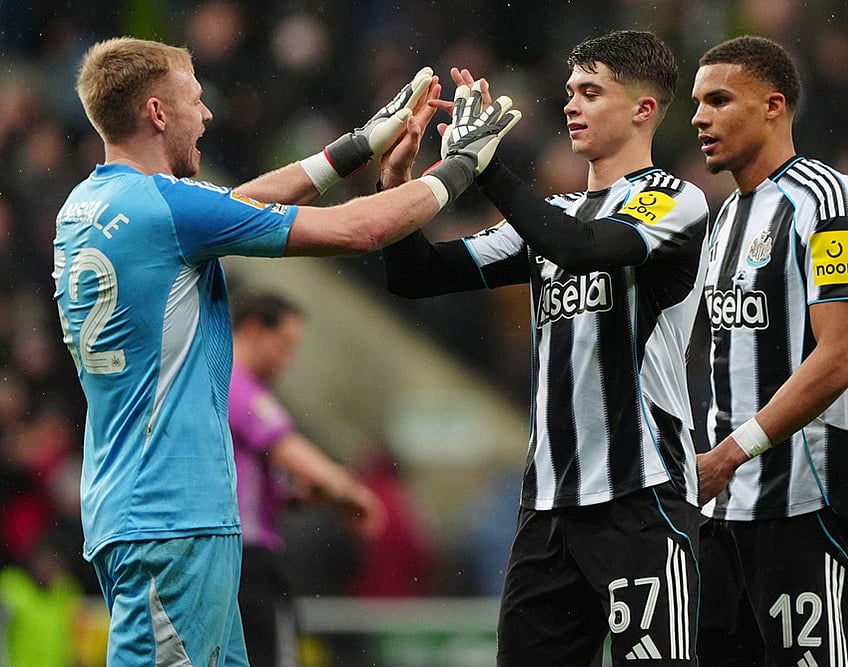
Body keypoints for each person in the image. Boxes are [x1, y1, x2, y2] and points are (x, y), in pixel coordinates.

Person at [52, 36, 520, 665]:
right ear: (158, 113)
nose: (209, 114)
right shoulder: (165, 209)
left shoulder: (89, 205)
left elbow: (230, 207)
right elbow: (363, 230)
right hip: (172, 512)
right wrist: (461, 165)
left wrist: (357, 146)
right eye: (196, 98)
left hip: (146, 508)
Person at [382, 30, 710, 665]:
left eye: (591, 92)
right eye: (569, 92)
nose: (571, 106)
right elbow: (415, 276)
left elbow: (583, 247)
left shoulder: (675, 200)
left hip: (640, 498)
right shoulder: (550, 214)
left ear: (644, 109)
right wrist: (396, 183)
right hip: (549, 511)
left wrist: (486, 166)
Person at [690, 35, 848, 667]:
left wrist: (728, 454)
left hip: (809, 499)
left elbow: (840, 357)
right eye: (697, 103)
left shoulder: (829, 203)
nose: (699, 117)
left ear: (774, 106)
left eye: (719, 100)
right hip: (724, 508)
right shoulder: (724, 219)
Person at [228, 292, 386, 666]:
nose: (290, 360)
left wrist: (311, 495)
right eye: (285, 345)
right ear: (254, 330)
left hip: (228, 558)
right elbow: (286, 446)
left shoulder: (217, 384)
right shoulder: (235, 383)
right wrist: (352, 492)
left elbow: (251, 484)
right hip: (246, 560)